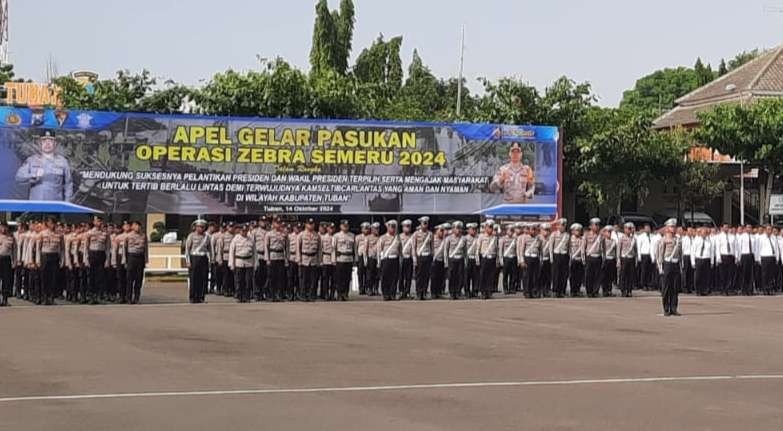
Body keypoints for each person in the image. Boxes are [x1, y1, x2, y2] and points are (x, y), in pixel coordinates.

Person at [15, 130, 73, 202]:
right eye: (44, 141)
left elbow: (68, 184)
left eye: (50, 141)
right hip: (36, 206)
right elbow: (18, 178)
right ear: (40, 143)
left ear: (55, 143)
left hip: (55, 206)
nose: (47, 144)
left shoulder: (63, 162)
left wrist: (67, 204)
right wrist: (34, 175)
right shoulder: (31, 160)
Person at [36, 218, 64, 305]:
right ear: (48, 223)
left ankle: (52, 297)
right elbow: (38, 248)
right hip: (45, 256)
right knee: (44, 278)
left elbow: (62, 249)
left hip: (54, 257)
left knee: (53, 278)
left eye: (54, 223)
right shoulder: (42, 234)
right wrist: (38, 260)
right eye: (51, 223)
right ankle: (45, 297)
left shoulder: (59, 235)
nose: (52, 225)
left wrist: (62, 260)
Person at [657, 219, 682, 316]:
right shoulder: (663, 240)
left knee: (675, 287)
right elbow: (660, 254)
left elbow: (680, 254)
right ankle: (666, 308)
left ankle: (674, 308)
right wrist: (660, 267)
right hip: (667, 264)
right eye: (672, 226)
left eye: (674, 226)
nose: (674, 228)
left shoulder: (678, 240)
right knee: (666, 287)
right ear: (667, 228)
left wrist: (681, 266)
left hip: (675, 264)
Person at [83, 217, 111, 305]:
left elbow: (107, 248)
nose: (99, 223)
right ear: (94, 222)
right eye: (97, 221)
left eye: (100, 221)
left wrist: (107, 260)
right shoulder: (89, 233)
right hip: (92, 254)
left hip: (101, 255)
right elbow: (86, 247)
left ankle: (99, 296)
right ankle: (92, 296)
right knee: (91, 277)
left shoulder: (105, 234)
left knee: (100, 277)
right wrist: (86, 259)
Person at [185, 219, 211, 304]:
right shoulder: (191, 236)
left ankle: (201, 297)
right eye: (199, 227)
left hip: (203, 258)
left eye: (202, 227)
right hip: (194, 257)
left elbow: (210, 249)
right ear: (195, 227)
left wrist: (211, 260)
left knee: (203, 278)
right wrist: (188, 261)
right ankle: (193, 297)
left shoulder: (207, 237)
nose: (200, 228)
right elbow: (187, 250)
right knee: (193, 278)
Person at [229, 223, 256, 303]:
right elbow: (232, 252)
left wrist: (255, 264)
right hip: (239, 262)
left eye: (245, 231)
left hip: (249, 262)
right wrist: (231, 264)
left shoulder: (251, 239)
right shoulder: (236, 239)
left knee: (248, 281)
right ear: (240, 231)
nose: (244, 232)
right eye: (243, 231)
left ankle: (247, 297)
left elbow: (254, 252)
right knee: (239, 280)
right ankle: (240, 296)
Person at [297, 219, 321, 302]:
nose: (311, 225)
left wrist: (319, 260)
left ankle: (311, 295)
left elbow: (319, 249)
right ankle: (303, 295)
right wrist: (299, 259)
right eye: (309, 224)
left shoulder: (317, 235)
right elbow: (298, 248)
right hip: (304, 258)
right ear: (306, 225)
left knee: (313, 279)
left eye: (312, 224)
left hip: (313, 258)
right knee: (304, 279)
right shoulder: (301, 235)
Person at [265, 217, 289, 302]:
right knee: (272, 277)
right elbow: (266, 247)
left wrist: (286, 259)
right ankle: (272, 295)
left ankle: (279, 295)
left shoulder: (284, 234)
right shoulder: (269, 234)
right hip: (272, 256)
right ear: (273, 224)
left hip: (281, 256)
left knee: (280, 277)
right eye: (277, 223)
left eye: (279, 223)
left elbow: (287, 247)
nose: (278, 225)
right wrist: (267, 259)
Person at [123, 221, 147, 304]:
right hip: (131, 257)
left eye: (139, 226)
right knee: (130, 279)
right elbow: (124, 249)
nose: (138, 227)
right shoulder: (128, 236)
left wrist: (146, 260)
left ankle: (136, 297)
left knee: (138, 279)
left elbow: (146, 249)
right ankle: (128, 298)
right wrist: (125, 260)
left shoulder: (143, 236)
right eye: (136, 225)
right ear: (132, 226)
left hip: (140, 258)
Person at [475, 220, 499, 299]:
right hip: (484, 258)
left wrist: (497, 260)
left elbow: (496, 249)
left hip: (492, 258)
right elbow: (478, 248)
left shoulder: (495, 238)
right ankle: (483, 292)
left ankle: (489, 292)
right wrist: (477, 259)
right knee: (483, 275)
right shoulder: (481, 236)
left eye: (491, 227)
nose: (490, 229)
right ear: (485, 228)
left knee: (491, 276)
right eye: (489, 227)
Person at [377, 220, 401, 301]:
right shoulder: (382, 238)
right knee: (385, 277)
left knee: (394, 278)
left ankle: (392, 294)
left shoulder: (398, 238)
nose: (393, 229)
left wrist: (400, 258)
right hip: (386, 259)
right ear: (387, 227)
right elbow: (379, 250)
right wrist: (379, 262)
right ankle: (386, 294)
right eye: (391, 227)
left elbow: (400, 249)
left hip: (395, 259)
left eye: (394, 227)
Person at [332, 220, 355, 301]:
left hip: (349, 259)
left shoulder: (352, 235)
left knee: (347, 278)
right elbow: (333, 249)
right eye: (344, 225)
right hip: (340, 259)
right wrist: (333, 260)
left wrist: (354, 260)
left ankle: (345, 293)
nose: (345, 227)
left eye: (347, 225)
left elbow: (354, 249)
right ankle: (339, 293)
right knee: (339, 278)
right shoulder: (336, 236)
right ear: (340, 226)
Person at [444, 221, 467, 300]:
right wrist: (446, 261)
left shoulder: (463, 239)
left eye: (460, 228)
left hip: (460, 259)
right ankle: (451, 292)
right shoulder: (449, 238)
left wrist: (466, 261)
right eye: (457, 228)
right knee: (452, 276)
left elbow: (465, 251)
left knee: (460, 277)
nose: (458, 230)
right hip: (452, 259)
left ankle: (458, 292)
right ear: (453, 229)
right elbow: (446, 251)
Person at [518, 223, 542, 298]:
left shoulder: (539, 239)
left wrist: (541, 260)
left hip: (535, 258)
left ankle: (534, 291)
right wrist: (521, 260)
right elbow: (521, 250)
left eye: (535, 230)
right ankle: (527, 292)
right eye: (532, 230)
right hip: (528, 258)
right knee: (527, 276)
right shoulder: (525, 238)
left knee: (535, 276)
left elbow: (540, 251)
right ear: (529, 230)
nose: (533, 231)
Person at [412, 217, 433, 300]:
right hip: (419, 256)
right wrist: (414, 258)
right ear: (420, 224)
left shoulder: (430, 234)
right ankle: (418, 292)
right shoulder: (416, 234)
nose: (425, 225)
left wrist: (432, 255)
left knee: (426, 275)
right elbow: (414, 246)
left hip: (427, 256)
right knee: (419, 275)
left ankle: (424, 292)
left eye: (426, 223)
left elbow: (432, 246)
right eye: (424, 223)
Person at [691, 227, 715, 296]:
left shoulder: (709, 241)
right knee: (698, 276)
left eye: (705, 233)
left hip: (706, 259)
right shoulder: (696, 240)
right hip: (699, 259)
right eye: (703, 233)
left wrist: (712, 262)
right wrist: (693, 262)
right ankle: (698, 290)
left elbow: (712, 252)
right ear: (700, 233)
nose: (704, 234)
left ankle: (704, 290)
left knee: (706, 276)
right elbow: (692, 251)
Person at [755, 225, 778, 296]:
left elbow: (776, 248)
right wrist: (758, 258)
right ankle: (765, 289)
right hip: (764, 257)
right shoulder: (761, 238)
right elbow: (758, 248)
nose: (769, 231)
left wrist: (776, 258)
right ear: (765, 230)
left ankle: (770, 289)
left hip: (772, 257)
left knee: (771, 274)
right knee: (765, 274)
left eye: (770, 229)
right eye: (768, 229)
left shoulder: (774, 238)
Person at [715, 224, 737, 296]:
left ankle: (728, 289)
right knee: (722, 274)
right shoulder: (719, 237)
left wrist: (736, 256)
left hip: (730, 256)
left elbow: (735, 247)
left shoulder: (732, 236)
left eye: (727, 227)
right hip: (723, 256)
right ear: (722, 228)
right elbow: (718, 247)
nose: (726, 229)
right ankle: (723, 289)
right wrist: (718, 257)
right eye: (725, 227)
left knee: (730, 274)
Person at [584, 218, 603, 298]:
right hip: (590, 256)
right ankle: (589, 291)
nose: (597, 226)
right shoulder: (587, 235)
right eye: (595, 225)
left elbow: (603, 247)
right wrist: (583, 257)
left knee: (597, 275)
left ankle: (595, 291)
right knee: (589, 275)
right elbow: (583, 247)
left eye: (598, 225)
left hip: (598, 256)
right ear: (591, 226)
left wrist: (603, 256)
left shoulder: (601, 236)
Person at [550, 218, 570, 297]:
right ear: (557, 226)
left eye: (563, 225)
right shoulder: (554, 234)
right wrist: (551, 257)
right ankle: (555, 290)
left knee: (563, 274)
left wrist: (569, 257)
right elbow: (551, 246)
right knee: (556, 274)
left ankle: (562, 290)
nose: (562, 227)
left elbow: (569, 247)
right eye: (560, 225)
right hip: (556, 255)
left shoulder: (567, 235)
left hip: (564, 255)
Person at [617, 222, 637, 297]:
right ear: (625, 229)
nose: (630, 230)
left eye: (631, 229)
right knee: (623, 275)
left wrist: (636, 259)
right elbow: (619, 249)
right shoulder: (622, 238)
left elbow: (635, 250)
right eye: (628, 229)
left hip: (631, 258)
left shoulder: (634, 239)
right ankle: (623, 290)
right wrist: (618, 259)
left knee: (630, 275)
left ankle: (629, 290)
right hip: (624, 258)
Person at [252, 216, 269, 301]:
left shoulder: (268, 232)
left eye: (265, 221)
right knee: (257, 276)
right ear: (259, 222)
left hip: (265, 256)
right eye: (262, 221)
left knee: (265, 275)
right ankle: (256, 293)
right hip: (257, 255)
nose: (264, 222)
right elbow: (252, 244)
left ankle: (263, 292)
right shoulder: (255, 232)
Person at [217, 223, 236, 298]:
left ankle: (232, 290)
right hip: (225, 256)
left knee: (233, 275)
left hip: (233, 257)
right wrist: (220, 259)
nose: (231, 228)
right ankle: (225, 290)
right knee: (226, 275)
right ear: (227, 227)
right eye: (230, 227)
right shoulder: (223, 236)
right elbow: (220, 249)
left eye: (232, 227)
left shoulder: (235, 236)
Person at [736, 225, 755, 295]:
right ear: (745, 229)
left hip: (751, 255)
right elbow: (739, 248)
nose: (749, 229)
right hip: (744, 255)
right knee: (744, 273)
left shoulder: (753, 237)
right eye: (748, 227)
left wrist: (755, 257)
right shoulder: (742, 237)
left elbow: (755, 248)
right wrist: (738, 258)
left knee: (751, 274)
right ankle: (744, 289)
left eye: (750, 227)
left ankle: (750, 290)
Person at [499, 223, 518, 295]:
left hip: (513, 258)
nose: (511, 232)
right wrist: (501, 260)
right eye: (510, 230)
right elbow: (500, 250)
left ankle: (512, 288)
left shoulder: (515, 239)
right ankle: (505, 289)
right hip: (506, 258)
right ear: (507, 231)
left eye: (512, 230)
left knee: (513, 274)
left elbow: (516, 249)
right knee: (505, 275)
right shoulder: (503, 239)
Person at [431, 223, 448, 299]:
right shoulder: (433, 239)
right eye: (441, 230)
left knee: (441, 277)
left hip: (442, 260)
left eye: (443, 231)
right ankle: (433, 292)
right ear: (436, 231)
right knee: (434, 277)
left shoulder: (445, 239)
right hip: (435, 260)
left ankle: (439, 292)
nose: (442, 232)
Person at [398, 220, 414, 300]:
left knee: (409, 277)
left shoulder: (413, 237)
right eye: (406, 226)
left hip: (409, 258)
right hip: (402, 258)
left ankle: (407, 292)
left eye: (409, 226)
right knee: (401, 276)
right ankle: (401, 291)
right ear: (403, 227)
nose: (408, 228)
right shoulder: (399, 237)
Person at [320, 222, 336, 301]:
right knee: (325, 278)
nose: (331, 230)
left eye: (333, 228)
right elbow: (320, 250)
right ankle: (325, 294)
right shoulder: (323, 238)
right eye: (330, 228)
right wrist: (320, 260)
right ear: (327, 228)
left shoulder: (336, 237)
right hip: (326, 258)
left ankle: (332, 294)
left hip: (334, 259)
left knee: (334, 278)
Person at [0, 222, 15, 306]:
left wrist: (14, 261)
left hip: (6, 260)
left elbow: (14, 250)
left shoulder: (11, 237)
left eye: (5, 227)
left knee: (6, 280)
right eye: (2, 227)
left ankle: (5, 300)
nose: (3, 229)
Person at [568, 223, 585, 297]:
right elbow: (569, 250)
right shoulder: (570, 239)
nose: (578, 232)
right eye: (577, 230)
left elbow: (583, 250)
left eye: (579, 230)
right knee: (573, 276)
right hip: (573, 259)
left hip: (579, 259)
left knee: (579, 276)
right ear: (572, 231)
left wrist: (583, 259)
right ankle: (573, 291)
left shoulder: (582, 239)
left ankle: (577, 290)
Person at [601, 226, 617, 297]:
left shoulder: (613, 241)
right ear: (604, 232)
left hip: (612, 259)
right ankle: (605, 290)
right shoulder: (603, 241)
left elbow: (616, 252)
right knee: (605, 276)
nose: (609, 233)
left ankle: (609, 290)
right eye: (608, 232)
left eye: (610, 232)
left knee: (611, 276)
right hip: (605, 259)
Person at [464, 223, 479, 298]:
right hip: (468, 258)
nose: (474, 231)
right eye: (472, 229)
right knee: (467, 276)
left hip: (475, 258)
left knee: (475, 276)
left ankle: (475, 291)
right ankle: (467, 291)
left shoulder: (478, 238)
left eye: (475, 229)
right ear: (468, 230)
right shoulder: (465, 238)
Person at [355, 222, 370, 295]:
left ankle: (367, 288)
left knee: (368, 273)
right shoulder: (358, 237)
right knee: (360, 273)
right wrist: (356, 257)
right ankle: (361, 288)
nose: (366, 230)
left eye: (367, 228)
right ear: (361, 229)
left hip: (368, 256)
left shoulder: (370, 237)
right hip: (360, 256)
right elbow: (355, 247)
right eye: (365, 228)